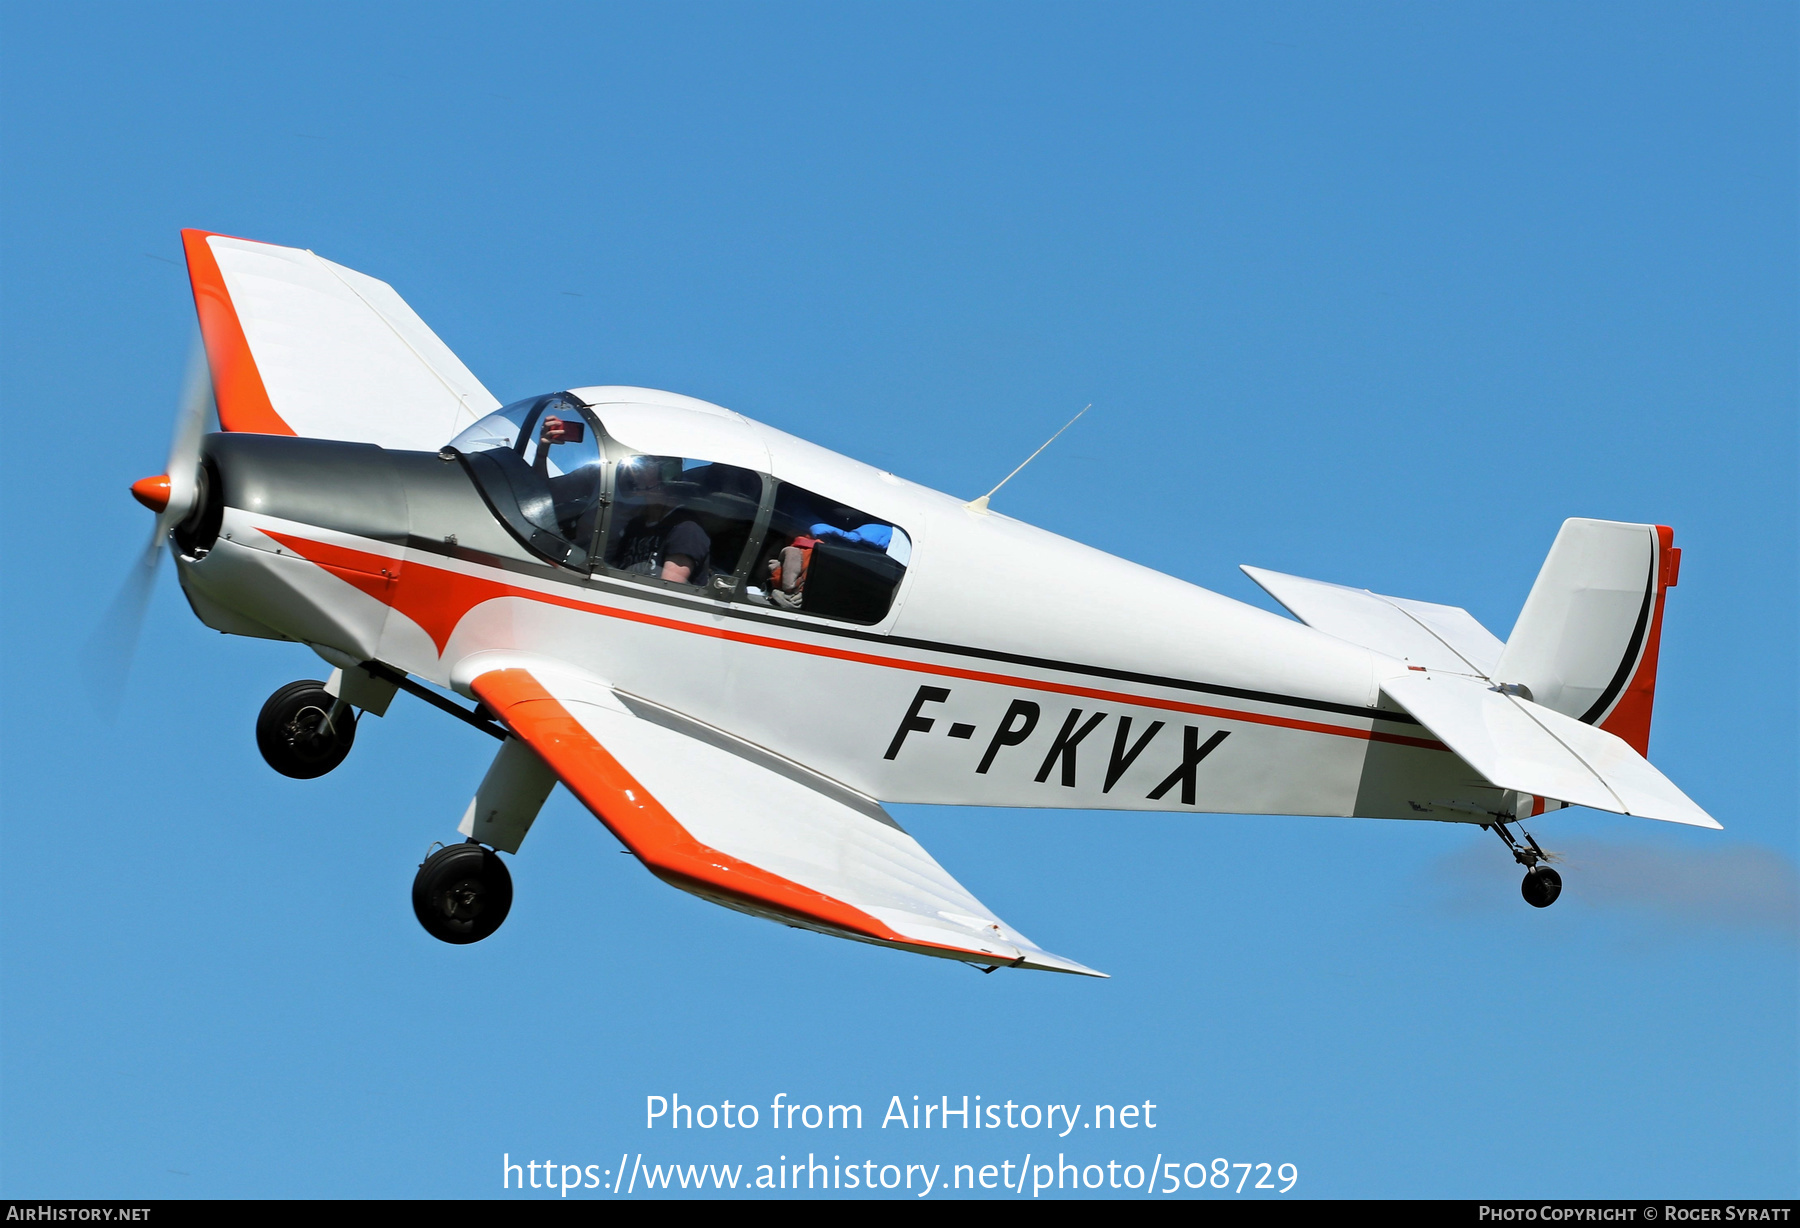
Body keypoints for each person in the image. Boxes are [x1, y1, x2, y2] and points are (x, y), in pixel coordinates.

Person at [607, 458, 712, 585]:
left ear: (666, 479)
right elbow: (612, 571)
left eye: (647, 466)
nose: (636, 474)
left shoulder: (687, 530)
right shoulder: (636, 524)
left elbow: (667, 589)